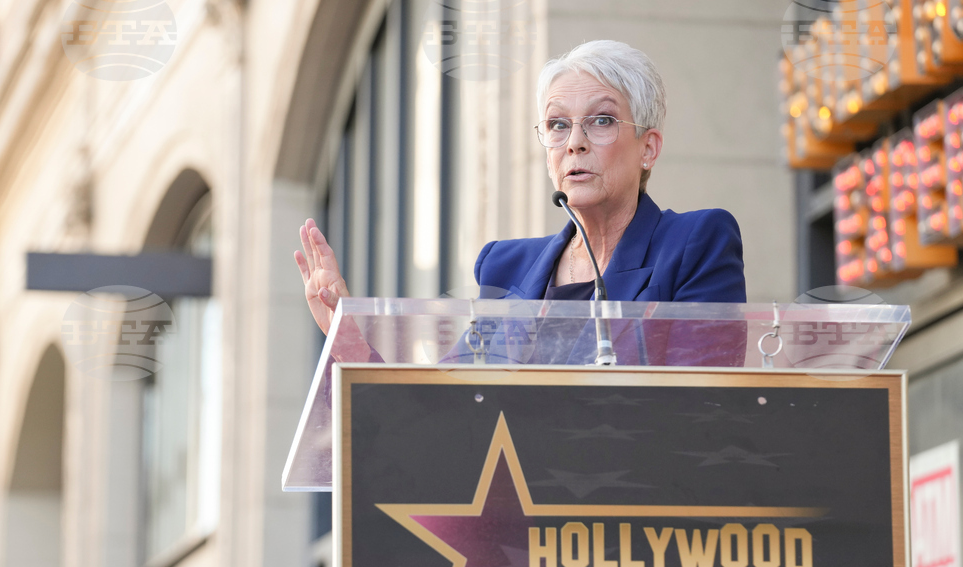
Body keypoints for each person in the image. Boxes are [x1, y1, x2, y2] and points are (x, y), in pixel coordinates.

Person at [295, 40, 746, 350]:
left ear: (648, 148)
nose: (575, 142)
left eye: (602, 120)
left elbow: (705, 398)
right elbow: (438, 413)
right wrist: (346, 334)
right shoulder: (505, 265)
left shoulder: (696, 241)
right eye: (557, 124)